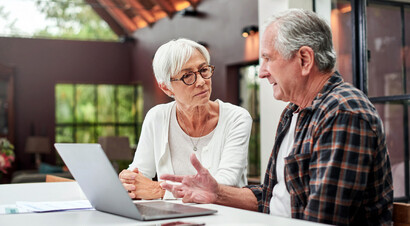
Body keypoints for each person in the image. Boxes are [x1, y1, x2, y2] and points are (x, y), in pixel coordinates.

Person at [160, 9, 393, 225]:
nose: (261, 72)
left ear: (304, 60)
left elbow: (321, 221)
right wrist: (217, 193)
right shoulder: (293, 112)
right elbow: (273, 197)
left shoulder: (342, 113)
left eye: (268, 59)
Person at [119, 38, 252, 200]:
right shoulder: (157, 117)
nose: (202, 82)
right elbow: (140, 175)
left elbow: (224, 184)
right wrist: (129, 181)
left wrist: (160, 191)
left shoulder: (236, 118)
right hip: (171, 218)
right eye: (187, 76)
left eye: (203, 70)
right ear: (166, 87)